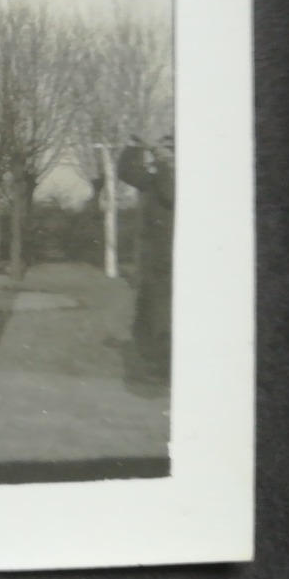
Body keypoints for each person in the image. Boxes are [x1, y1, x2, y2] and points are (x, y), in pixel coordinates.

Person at [116, 133, 175, 392]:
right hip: (154, 257)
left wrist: (164, 161)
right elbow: (127, 173)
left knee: (165, 316)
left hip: (170, 256)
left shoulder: (177, 174)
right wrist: (134, 147)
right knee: (150, 314)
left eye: (166, 147)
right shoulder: (157, 176)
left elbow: (170, 192)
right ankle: (159, 368)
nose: (157, 151)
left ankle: (166, 372)